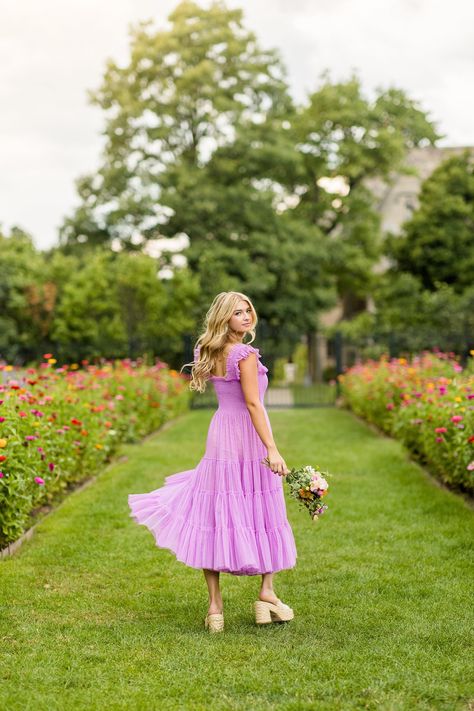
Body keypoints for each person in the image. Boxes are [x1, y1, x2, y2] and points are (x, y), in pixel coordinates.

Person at [128, 291, 297, 632]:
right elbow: (253, 404)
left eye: (248, 309)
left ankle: (215, 609)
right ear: (225, 318)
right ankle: (266, 592)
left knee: (216, 510)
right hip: (246, 436)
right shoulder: (246, 354)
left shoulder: (208, 350)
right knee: (263, 506)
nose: (246, 316)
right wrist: (272, 449)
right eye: (238, 312)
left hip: (221, 433)